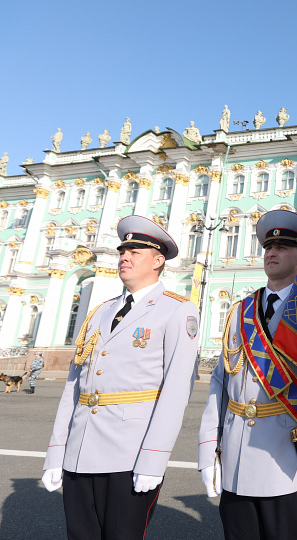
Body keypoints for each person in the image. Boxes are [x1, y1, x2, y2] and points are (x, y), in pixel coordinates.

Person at [41, 215, 200, 540]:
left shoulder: (177, 310)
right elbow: (74, 387)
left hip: (130, 454)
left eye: (135, 252)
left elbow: (175, 391)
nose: (124, 257)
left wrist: (153, 460)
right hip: (80, 450)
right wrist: (57, 452)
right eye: (123, 251)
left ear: (158, 261)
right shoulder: (100, 311)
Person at [198, 210, 297, 540]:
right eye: (268, 247)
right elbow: (220, 384)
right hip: (235, 463)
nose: (272, 253)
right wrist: (208, 450)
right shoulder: (240, 311)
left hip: (287, 464)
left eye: (283, 247)